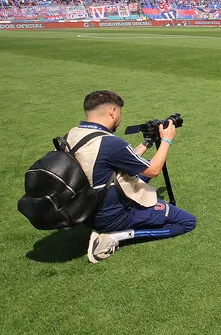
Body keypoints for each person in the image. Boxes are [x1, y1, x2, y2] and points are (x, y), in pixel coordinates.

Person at [68, 91, 196, 263]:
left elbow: (123, 161)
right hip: (110, 215)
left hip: (86, 208)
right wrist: (166, 140)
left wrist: (146, 143)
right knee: (186, 222)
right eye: (119, 112)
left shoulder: (74, 134)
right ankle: (114, 236)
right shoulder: (110, 143)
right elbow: (154, 170)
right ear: (112, 111)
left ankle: (106, 227)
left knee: (140, 171)